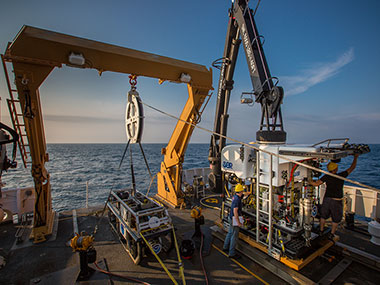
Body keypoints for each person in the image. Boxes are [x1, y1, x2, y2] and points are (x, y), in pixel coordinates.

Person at [309, 154, 359, 239]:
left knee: (323, 216)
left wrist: (308, 180)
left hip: (327, 200)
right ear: (335, 169)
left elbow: (316, 184)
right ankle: (332, 234)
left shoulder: (327, 176)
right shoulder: (341, 175)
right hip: (336, 201)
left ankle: (321, 231)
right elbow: (352, 168)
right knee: (335, 219)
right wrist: (355, 157)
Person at [223, 183, 246, 259]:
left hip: (230, 218)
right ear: (240, 192)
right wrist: (238, 222)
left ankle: (225, 247)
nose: (243, 192)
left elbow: (243, 195)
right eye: (242, 191)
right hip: (234, 219)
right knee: (234, 236)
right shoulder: (237, 200)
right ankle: (232, 253)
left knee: (230, 232)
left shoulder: (235, 197)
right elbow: (235, 211)